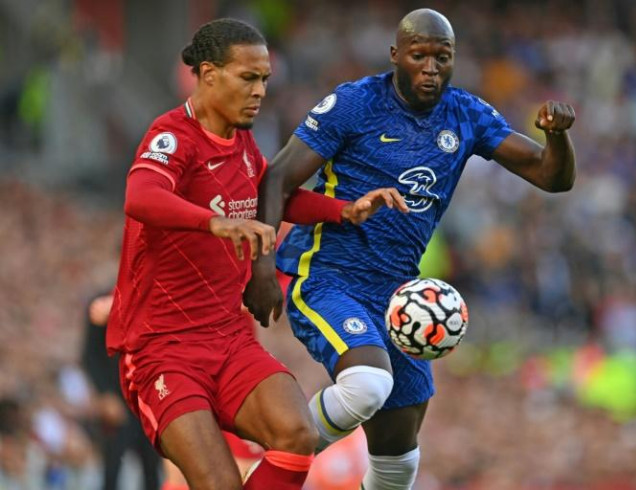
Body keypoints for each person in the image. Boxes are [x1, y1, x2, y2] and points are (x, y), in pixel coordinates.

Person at [244, 8, 576, 489]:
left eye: (443, 57)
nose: (431, 67)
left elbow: (552, 176)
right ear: (396, 55)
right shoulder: (355, 104)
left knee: (399, 462)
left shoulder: (466, 115)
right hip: (328, 276)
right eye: (419, 55)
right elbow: (276, 175)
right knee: (367, 386)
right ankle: (272, 458)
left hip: (398, 296)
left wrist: (557, 136)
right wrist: (262, 264)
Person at [106, 18, 406, 490]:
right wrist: (214, 221)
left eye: (265, 79)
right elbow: (140, 197)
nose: (260, 90)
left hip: (229, 339)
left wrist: (343, 210)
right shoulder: (172, 137)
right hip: (162, 350)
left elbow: (274, 196)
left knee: (297, 434)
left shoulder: (242, 142)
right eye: (248, 77)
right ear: (209, 75)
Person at [81, 291, 161, 490]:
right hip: (116, 400)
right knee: (113, 464)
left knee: (152, 465)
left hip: (147, 398)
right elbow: (90, 356)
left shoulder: (152, 298)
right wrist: (105, 394)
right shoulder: (101, 301)